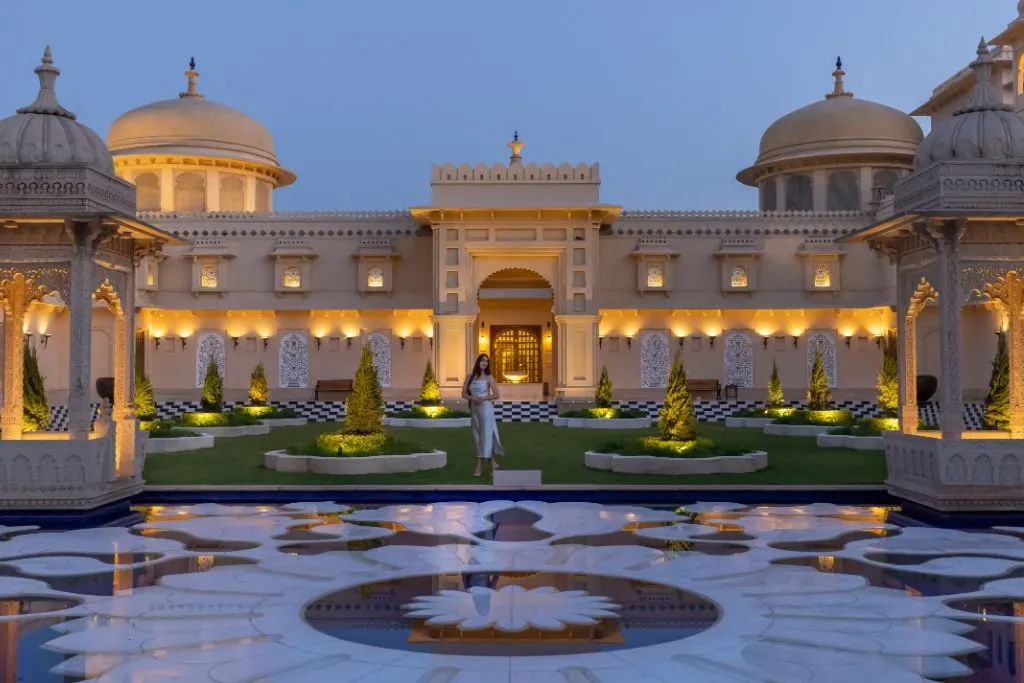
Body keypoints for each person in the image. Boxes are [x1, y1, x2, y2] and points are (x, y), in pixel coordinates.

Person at [462, 353, 504, 477]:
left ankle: (479, 466)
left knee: (485, 436)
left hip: (486, 409)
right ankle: (493, 465)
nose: (484, 363)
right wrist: (473, 398)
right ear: (478, 362)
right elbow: (463, 394)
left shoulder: (489, 377)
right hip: (475, 409)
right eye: (482, 360)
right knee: (478, 437)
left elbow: (496, 395)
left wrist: (484, 397)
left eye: (486, 361)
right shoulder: (469, 377)